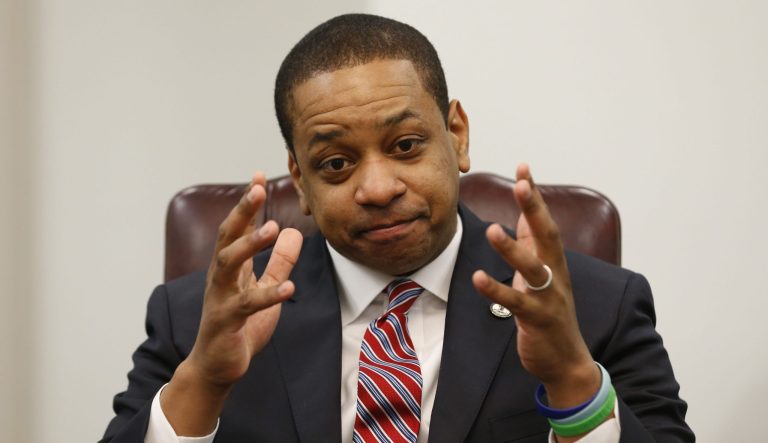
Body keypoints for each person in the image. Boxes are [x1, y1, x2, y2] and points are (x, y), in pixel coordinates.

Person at [101, 13, 693, 443]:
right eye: (335, 163)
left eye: (406, 145)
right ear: (300, 180)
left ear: (456, 134)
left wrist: (573, 382)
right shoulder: (195, 322)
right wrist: (203, 382)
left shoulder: (597, 308)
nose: (378, 188)